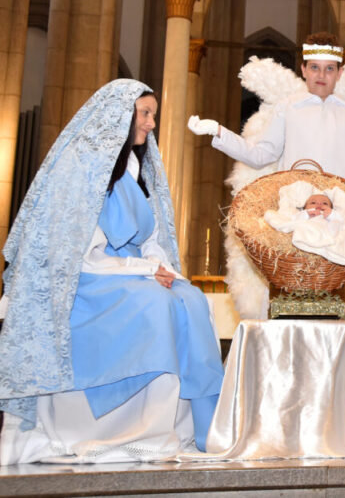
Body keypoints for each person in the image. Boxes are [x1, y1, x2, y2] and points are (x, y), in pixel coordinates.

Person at [0, 80, 224, 464]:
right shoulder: (81, 168)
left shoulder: (136, 170)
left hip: (127, 272)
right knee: (153, 304)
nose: (152, 123)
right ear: (119, 115)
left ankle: (192, 429)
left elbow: (151, 237)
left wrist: (165, 270)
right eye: (146, 114)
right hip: (85, 280)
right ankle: (136, 432)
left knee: (190, 298)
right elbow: (82, 256)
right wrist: (144, 271)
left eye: (153, 115)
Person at [188, 32, 345, 319]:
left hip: (339, 221)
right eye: (314, 67)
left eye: (329, 69)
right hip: (295, 218)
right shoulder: (287, 109)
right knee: (284, 300)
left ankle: (338, 362)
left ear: (340, 73)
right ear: (303, 69)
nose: (321, 75)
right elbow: (260, 154)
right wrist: (219, 133)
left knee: (342, 308)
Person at [263, 181, 345, 269]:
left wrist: (331, 216)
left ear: (331, 208)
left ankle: (328, 246)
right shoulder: (303, 214)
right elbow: (295, 221)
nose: (319, 205)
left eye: (325, 203)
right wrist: (307, 214)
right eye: (313, 202)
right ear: (304, 207)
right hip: (309, 231)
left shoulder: (332, 215)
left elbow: (339, 225)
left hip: (328, 235)